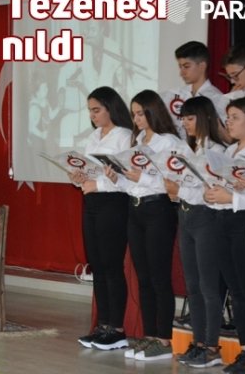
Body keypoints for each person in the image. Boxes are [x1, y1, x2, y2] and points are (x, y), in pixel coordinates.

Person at [106, 90, 180, 361]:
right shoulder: (137, 141)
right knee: (144, 277)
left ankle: (164, 339)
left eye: (141, 113)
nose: (136, 119)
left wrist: (143, 178)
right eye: (134, 114)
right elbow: (132, 182)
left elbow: (174, 182)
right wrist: (118, 178)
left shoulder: (169, 141)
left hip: (158, 208)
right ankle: (149, 335)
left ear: (153, 112)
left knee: (159, 277)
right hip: (135, 208)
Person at [203, 96, 245, 374]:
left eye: (235, 118)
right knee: (234, 290)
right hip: (222, 220)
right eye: (227, 117)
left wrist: (231, 197)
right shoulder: (229, 152)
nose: (228, 123)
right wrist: (212, 193)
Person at [163, 97, 226, 368]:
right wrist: (174, 189)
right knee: (192, 286)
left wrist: (181, 189)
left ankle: (212, 347)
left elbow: (212, 189)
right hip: (185, 215)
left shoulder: (217, 150)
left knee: (209, 286)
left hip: (206, 217)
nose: (185, 124)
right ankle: (198, 342)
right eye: (183, 119)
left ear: (205, 117)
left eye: (190, 118)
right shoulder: (187, 149)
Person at [70, 86, 133, 351]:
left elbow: (126, 178)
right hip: (92, 203)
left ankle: (116, 329)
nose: (92, 116)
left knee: (111, 265)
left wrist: (98, 184)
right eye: (90, 111)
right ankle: (102, 325)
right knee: (97, 264)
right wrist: (79, 177)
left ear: (111, 108)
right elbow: (90, 170)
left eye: (96, 110)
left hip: (113, 203)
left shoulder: (125, 136)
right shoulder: (94, 136)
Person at [161, 41, 227, 136]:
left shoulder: (217, 98)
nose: (181, 73)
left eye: (186, 66)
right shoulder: (174, 94)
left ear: (202, 66)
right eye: (180, 67)